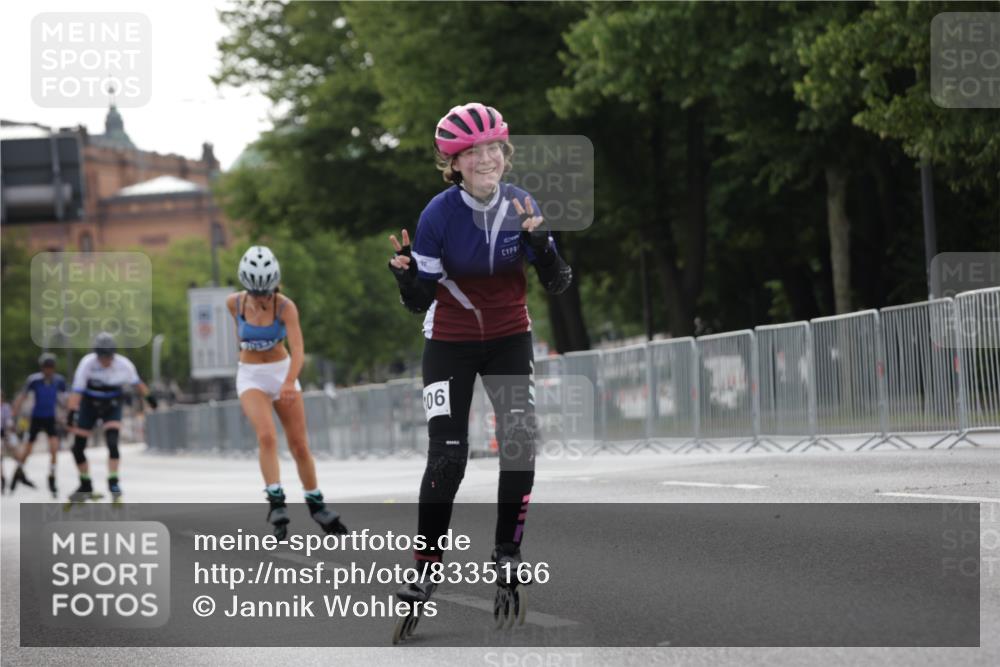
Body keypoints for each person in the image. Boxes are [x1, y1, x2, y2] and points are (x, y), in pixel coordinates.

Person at [387, 102, 573, 628]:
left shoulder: (522, 204)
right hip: (450, 340)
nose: (487, 158)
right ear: (456, 163)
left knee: (518, 438)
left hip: (510, 337)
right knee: (447, 456)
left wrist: (546, 251)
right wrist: (406, 281)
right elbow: (420, 301)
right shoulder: (437, 216)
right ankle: (425, 566)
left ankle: (506, 552)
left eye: (494, 148)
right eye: (474, 152)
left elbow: (558, 282)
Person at [227, 245, 347, 538]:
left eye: (266, 291)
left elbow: (299, 350)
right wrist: (247, 359)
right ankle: (276, 501)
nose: (261, 298)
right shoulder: (234, 304)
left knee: (299, 445)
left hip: (283, 371)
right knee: (266, 436)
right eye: (255, 293)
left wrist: (288, 382)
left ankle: (316, 503)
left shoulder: (285, 306)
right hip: (251, 375)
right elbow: (239, 339)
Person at [65, 332, 157, 502]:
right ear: (96, 354)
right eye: (102, 356)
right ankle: (85, 484)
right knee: (77, 448)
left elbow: (138, 384)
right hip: (89, 403)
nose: (105, 360)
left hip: (112, 403)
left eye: (108, 356)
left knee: (113, 443)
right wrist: (71, 414)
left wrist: (150, 399)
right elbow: (77, 391)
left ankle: (113, 482)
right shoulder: (87, 363)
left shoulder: (124, 365)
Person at [10, 353, 68, 497]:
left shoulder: (59, 381)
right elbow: (23, 396)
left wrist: (68, 414)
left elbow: (65, 399)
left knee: (54, 448)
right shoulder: (34, 380)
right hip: (36, 417)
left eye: (50, 367)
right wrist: (14, 413)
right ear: (42, 368)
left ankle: (52, 476)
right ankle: (19, 471)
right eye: (45, 367)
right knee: (28, 449)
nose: (48, 370)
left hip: (50, 418)